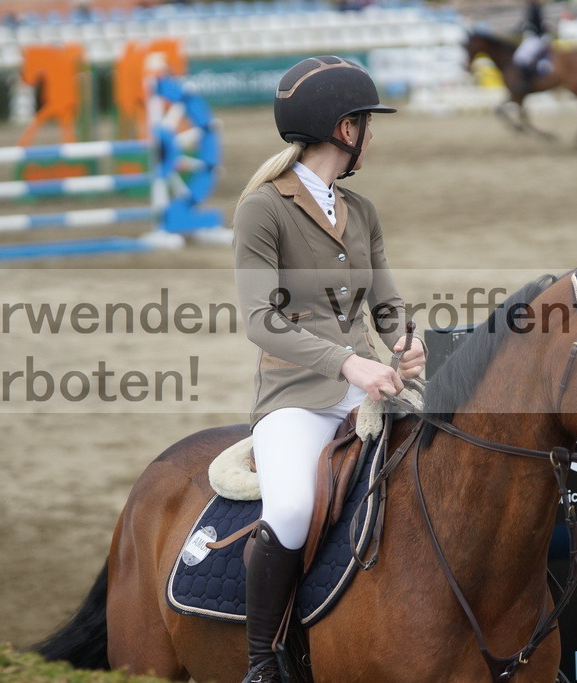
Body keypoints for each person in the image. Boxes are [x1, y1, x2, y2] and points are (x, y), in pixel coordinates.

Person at [233, 55, 426, 683]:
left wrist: (405, 345)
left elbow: (388, 305)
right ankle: (262, 660)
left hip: (366, 384)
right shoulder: (263, 208)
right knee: (290, 510)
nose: (373, 135)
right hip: (294, 397)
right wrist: (350, 364)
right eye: (367, 123)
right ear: (345, 130)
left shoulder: (360, 210)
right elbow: (260, 319)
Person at [513, 0, 553, 94]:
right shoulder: (532, 7)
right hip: (535, 36)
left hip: (537, 37)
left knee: (520, 57)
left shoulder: (534, 8)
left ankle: (525, 83)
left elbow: (537, 25)